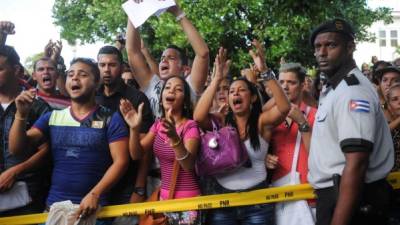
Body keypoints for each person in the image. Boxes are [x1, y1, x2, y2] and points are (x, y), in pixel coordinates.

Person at [9, 58, 130, 224]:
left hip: (95, 212)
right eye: (71, 74)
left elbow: (121, 161)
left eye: (82, 75)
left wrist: (95, 194)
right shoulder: (52, 117)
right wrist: (21, 116)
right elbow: (16, 149)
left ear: (96, 83)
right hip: (54, 209)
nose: (74, 78)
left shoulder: (111, 118)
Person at [308, 18, 394, 225]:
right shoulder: (334, 89)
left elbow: (357, 163)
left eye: (331, 45)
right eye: (318, 47)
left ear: (350, 48)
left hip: (351, 201)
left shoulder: (352, 91)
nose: (322, 52)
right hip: (340, 197)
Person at [194, 44, 290, 225]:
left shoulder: (262, 122)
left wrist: (265, 71)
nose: (235, 93)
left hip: (257, 203)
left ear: (253, 97)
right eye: (231, 91)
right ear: (229, 101)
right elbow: (198, 117)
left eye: (241, 90)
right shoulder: (221, 122)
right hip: (222, 202)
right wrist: (216, 79)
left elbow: (284, 107)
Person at [120, 75, 201, 225]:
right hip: (164, 199)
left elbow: (188, 165)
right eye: (168, 87)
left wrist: (175, 139)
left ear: (185, 101)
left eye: (178, 89)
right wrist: (134, 129)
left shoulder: (190, 126)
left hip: (188, 203)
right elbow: (136, 154)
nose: (171, 91)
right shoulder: (158, 125)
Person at [96, 45, 154, 225]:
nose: (106, 69)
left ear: (121, 67)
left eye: (112, 65)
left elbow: (144, 150)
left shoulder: (137, 98)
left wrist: (139, 188)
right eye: (102, 64)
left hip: (127, 185)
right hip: (96, 181)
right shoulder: (92, 96)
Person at [126, 1, 209, 118]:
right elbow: (132, 52)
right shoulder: (152, 85)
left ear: (185, 68)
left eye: (171, 58)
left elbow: (203, 54)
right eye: (162, 58)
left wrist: (178, 13)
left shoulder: (190, 85)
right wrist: (134, 10)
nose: (164, 61)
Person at [0, 43, 51, 216]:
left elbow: (48, 150)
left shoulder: (37, 106)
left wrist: (15, 171)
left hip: (28, 196)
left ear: (16, 70)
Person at [266, 63, 316, 189]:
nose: (284, 87)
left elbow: (319, 155)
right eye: (281, 82)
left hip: (307, 192)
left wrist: (302, 122)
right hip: (277, 191)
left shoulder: (316, 115)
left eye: (291, 82)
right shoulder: (270, 117)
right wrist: (265, 158)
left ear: (303, 85)